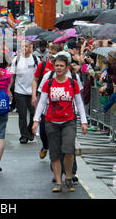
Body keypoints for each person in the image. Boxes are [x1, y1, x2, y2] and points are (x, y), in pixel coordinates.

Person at [32, 55, 88, 193]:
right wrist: (35, 120)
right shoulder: (48, 83)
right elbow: (42, 103)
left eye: (61, 66)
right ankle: (58, 181)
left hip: (69, 121)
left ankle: (68, 176)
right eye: (56, 65)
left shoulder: (72, 83)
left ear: (66, 67)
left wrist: (84, 121)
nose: (59, 68)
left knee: (68, 150)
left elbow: (79, 103)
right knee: (55, 153)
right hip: (51, 121)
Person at [31, 43, 61, 159]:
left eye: (54, 53)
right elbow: (35, 80)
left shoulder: (64, 68)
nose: (51, 55)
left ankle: (57, 156)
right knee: (43, 130)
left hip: (59, 105)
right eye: (50, 53)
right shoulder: (43, 65)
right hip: (44, 102)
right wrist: (34, 96)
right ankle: (45, 146)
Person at [9, 40, 39, 144]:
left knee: (33, 114)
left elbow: (39, 75)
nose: (24, 48)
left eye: (26, 46)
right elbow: (12, 76)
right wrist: (8, 90)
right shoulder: (16, 60)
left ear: (30, 47)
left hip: (32, 92)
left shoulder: (35, 59)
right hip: (19, 91)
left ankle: (29, 133)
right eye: (22, 46)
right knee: (22, 115)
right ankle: (24, 136)